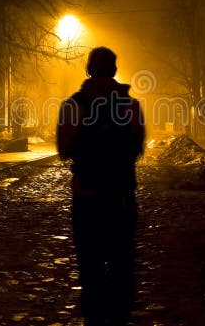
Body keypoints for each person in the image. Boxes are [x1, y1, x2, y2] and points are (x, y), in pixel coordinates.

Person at [57, 46, 145, 326]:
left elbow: (63, 149)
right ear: (115, 71)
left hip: (86, 195)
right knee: (122, 261)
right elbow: (138, 148)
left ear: (88, 70)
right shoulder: (130, 105)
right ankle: (119, 314)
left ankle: (94, 316)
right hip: (121, 196)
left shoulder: (73, 105)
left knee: (89, 264)